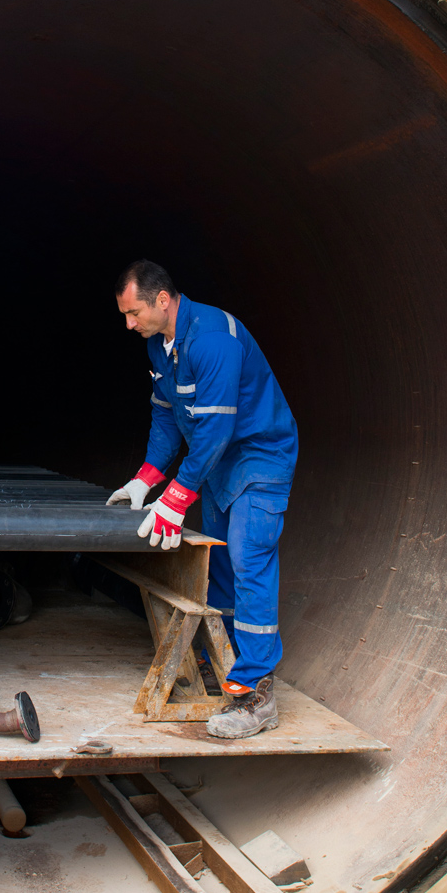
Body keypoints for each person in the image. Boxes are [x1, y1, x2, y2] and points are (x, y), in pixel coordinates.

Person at [107, 260, 298, 740]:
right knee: (221, 567)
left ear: (163, 300)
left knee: (249, 559)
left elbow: (215, 430)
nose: (128, 325)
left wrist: (175, 499)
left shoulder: (213, 338)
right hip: (218, 464)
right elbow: (169, 418)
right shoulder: (159, 345)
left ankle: (257, 696)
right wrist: (145, 480)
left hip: (258, 456)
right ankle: (229, 668)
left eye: (133, 313)